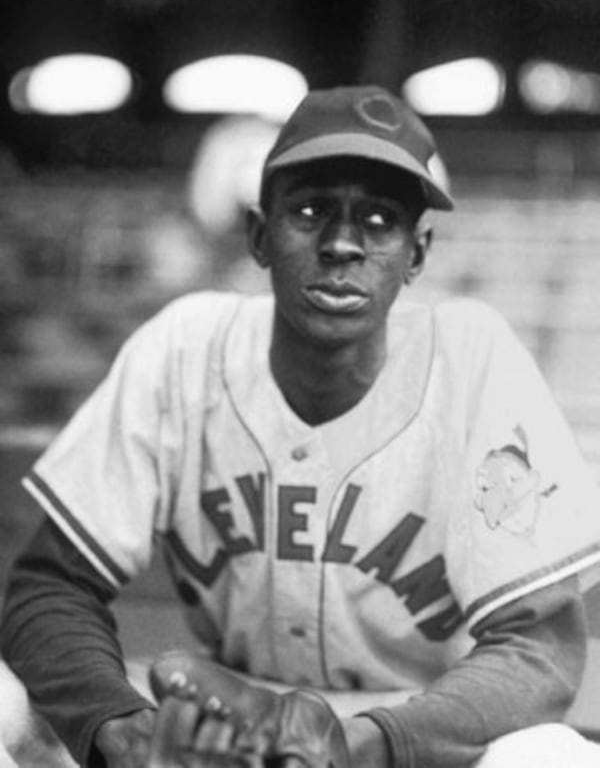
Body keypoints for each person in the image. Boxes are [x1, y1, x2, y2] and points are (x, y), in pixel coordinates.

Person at [1, 84, 600, 768]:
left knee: (553, 755)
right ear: (260, 235)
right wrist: (120, 728)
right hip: (214, 727)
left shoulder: (473, 357)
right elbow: (50, 586)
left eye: (378, 220)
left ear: (417, 254)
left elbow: (539, 650)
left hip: (412, 731)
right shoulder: (184, 348)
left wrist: (361, 744)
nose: (342, 243)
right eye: (311, 210)